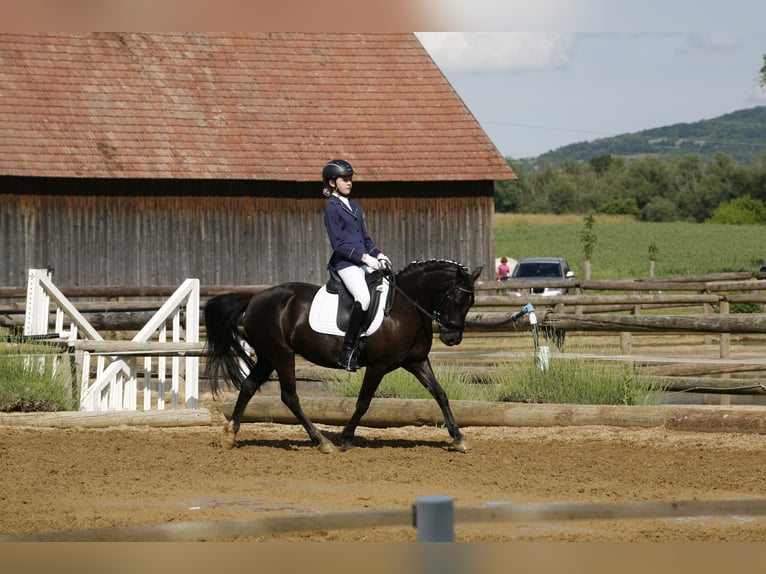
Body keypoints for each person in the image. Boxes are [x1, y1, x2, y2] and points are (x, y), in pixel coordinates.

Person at [322, 159, 391, 371]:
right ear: (333, 183)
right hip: (345, 263)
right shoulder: (332, 209)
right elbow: (339, 244)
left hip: (363, 260)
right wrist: (364, 258)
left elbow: (365, 239)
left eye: (351, 179)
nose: (349, 183)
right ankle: (348, 350)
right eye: (345, 180)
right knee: (363, 297)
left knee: (386, 285)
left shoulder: (355, 206)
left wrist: (378, 254)